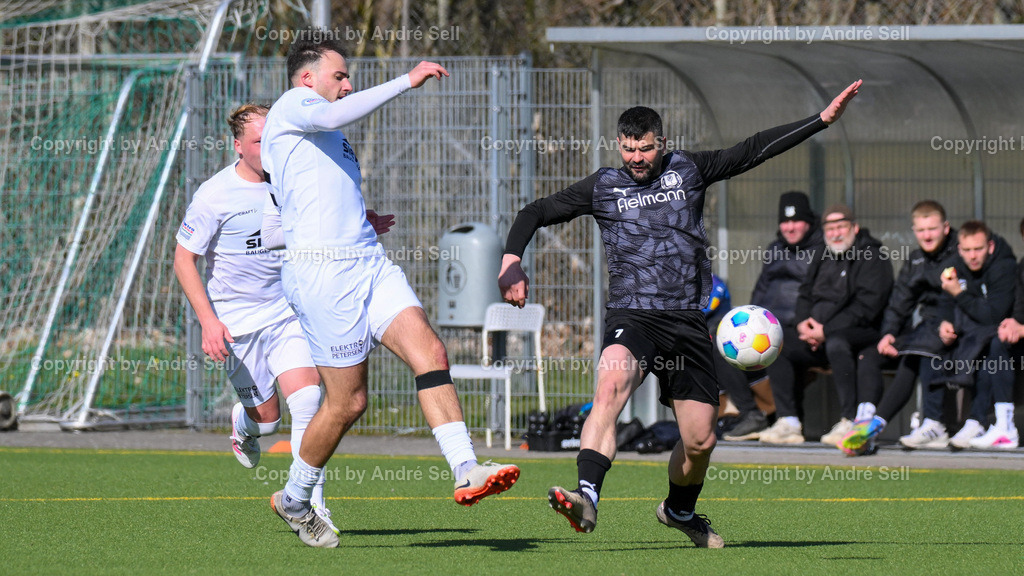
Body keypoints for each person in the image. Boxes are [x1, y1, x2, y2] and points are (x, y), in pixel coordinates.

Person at [499, 80, 862, 548]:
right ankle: (586, 495)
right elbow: (535, 211)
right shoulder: (603, 187)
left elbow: (752, 150)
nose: (636, 158)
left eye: (645, 149)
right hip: (634, 315)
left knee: (700, 441)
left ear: (662, 143)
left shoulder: (689, 170)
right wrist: (512, 260)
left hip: (688, 323)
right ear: (619, 145)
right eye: (628, 149)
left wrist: (820, 121)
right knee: (609, 387)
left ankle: (679, 510)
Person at [260, 31, 519, 548]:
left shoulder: (326, 130)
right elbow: (331, 120)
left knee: (430, 349)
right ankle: (294, 497)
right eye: (339, 75)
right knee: (349, 402)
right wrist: (408, 78)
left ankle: (465, 467)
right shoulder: (294, 105)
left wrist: (361, 217)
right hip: (323, 276)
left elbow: (317, 193)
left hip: (367, 262)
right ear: (307, 77)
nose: (347, 83)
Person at [174, 104, 357, 533]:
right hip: (237, 324)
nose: (268, 148)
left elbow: (315, 224)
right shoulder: (213, 196)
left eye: (272, 138)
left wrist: (358, 222)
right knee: (268, 419)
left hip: (287, 314)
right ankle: (244, 424)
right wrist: (209, 321)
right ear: (238, 146)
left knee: (310, 401)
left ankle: (311, 504)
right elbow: (184, 260)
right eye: (258, 141)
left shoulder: (290, 180)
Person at [759, 205, 893, 445]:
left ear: (854, 227)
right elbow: (805, 294)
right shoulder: (823, 253)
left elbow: (868, 306)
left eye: (841, 227)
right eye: (830, 228)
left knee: (837, 342)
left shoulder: (872, 255)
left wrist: (826, 330)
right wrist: (802, 324)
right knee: (777, 343)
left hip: (860, 334)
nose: (836, 233)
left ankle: (849, 419)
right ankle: (788, 421)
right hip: (816, 334)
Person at [839, 201, 958, 454]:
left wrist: (951, 322)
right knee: (870, 355)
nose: (927, 235)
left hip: (955, 329)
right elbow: (900, 300)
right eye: (921, 230)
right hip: (925, 331)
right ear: (914, 231)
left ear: (945, 228)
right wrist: (889, 334)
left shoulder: (962, 252)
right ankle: (864, 419)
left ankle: (926, 424)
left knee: (920, 353)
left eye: (932, 229)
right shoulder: (915, 259)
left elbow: (967, 297)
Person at [719, 191, 824, 442]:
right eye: (784, 222)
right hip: (765, 326)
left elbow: (823, 294)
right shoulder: (775, 249)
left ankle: (786, 421)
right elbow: (761, 290)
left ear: (809, 221)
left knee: (780, 346)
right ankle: (750, 413)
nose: (790, 227)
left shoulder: (823, 250)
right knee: (720, 341)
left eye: (796, 221)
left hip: (798, 330)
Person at [933, 221, 1017, 449]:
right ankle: (932, 423)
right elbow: (943, 302)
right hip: (976, 334)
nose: (972, 256)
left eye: (978, 249)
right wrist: (945, 322)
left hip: (1001, 337)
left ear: (989, 246)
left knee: (992, 346)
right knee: (928, 345)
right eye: (967, 250)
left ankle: (989, 423)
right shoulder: (954, 266)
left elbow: (993, 315)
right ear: (960, 249)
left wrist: (958, 294)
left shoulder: (1005, 266)